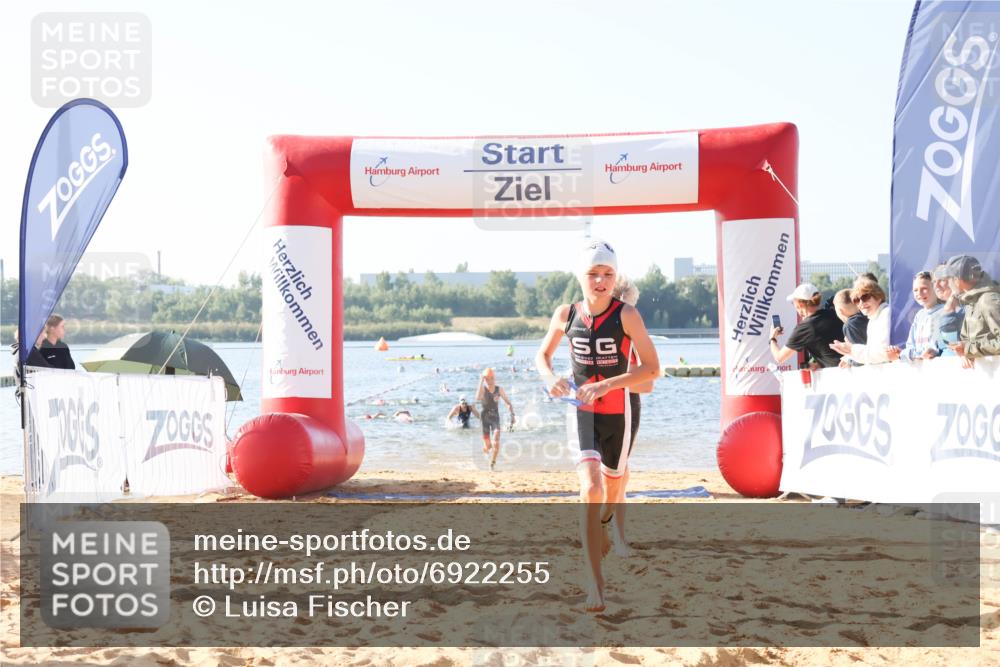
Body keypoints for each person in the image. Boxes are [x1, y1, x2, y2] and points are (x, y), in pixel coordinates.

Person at [535, 239, 659, 613]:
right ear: (581, 277)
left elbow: (652, 370)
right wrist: (548, 378)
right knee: (590, 487)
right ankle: (595, 585)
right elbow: (542, 355)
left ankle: (606, 524)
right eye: (593, 274)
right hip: (581, 413)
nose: (601, 281)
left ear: (615, 277)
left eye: (608, 274)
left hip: (619, 413)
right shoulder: (565, 314)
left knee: (613, 489)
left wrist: (606, 384)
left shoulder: (627, 316)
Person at [941, 255, 1000, 367]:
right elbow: (966, 340)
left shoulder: (988, 300)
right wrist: (964, 351)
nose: (948, 283)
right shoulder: (971, 301)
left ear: (958, 280)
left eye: (949, 279)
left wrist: (969, 349)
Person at [769, 283, 843, 368]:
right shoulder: (834, 313)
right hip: (852, 368)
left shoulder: (806, 328)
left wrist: (772, 338)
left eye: (794, 304)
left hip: (836, 375)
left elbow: (779, 357)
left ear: (800, 305)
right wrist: (818, 365)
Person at [829, 279, 892, 365]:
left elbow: (884, 353)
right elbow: (873, 355)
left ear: (878, 296)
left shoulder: (887, 314)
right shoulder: (873, 320)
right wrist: (850, 356)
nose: (861, 303)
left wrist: (851, 350)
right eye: (856, 300)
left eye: (865, 297)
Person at [891, 271, 942, 362]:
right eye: (915, 290)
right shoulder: (919, 315)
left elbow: (935, 348)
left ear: (935, 288)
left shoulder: (944, 312)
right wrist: (901, 353)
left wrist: (905, 354)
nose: (919, 293)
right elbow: (910, 345)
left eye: (924, 288)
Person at [476, 368, 513, 470]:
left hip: (495, 417)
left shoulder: (499, 389)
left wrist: (510, 408)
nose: (490, 381)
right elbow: (477, 398)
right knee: (488, 446)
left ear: (494, 378)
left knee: (496, 439)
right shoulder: (483, 389)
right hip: (485, 419)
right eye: (487, 379)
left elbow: (507, 400)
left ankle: (492, 463)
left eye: (492, 378)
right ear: (485, 380)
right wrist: (480, 381)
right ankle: (486, 449)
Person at [928, 263, 965, 358]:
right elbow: (942, 347)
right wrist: (933, 351)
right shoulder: (938, 313)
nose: (936, 285)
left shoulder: (969, 309)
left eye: (942, 280)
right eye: (934, 281)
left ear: (955, 280)